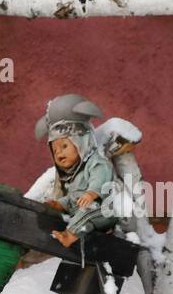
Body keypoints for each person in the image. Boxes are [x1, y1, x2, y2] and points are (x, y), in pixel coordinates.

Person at [34, 94, 119, 249]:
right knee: (81, 212)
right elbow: (73, 198)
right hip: (85, 213)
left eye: (65, 146)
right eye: (55, 150)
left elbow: (101, 177)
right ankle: (72, 231)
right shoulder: (74, 175)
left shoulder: (96, 162)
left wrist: (92, 193)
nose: (59, 153)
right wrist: (59, 204)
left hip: (105, 210)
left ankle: (69, 236)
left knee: (86, 212)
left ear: (82, 142)